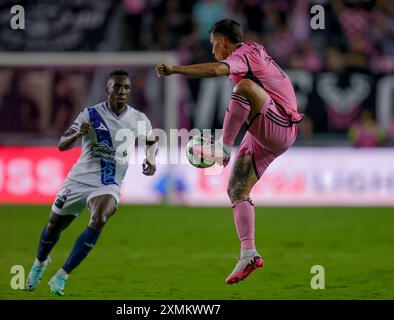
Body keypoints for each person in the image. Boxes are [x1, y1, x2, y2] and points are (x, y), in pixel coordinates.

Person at [156, 19, 303, 284]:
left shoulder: (242, 55)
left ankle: (223, 147)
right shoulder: (254, 51)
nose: (213, 50)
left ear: (223, 42)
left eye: (213, 44)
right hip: (266, 129)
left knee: (243, 87)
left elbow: (215, 70)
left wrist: (175, 69)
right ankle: (248, 253)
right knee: (236, 190)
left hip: (280, 124)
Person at [25, 70, 158, 296]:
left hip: (109, 183)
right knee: (53, 227)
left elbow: (151, 141)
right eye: (117, 87)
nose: (122, 91)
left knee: (100, 218)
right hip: (79, 180)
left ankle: (62, 275)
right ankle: (40, 263)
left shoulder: (138, 119)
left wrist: (151, 158)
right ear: (107, 90)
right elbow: (62, 144)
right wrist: (77, 135)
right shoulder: (90, 114)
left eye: (126, 87)